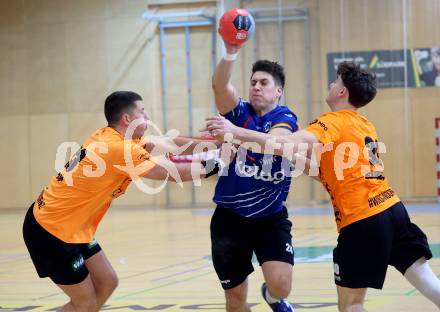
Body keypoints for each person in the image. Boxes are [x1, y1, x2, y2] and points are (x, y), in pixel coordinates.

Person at [205, 62, 440, 311]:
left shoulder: (332, 122)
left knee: (351, 305)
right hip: (394, 210)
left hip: (362, 219)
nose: (331, 84)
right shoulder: (364, 125)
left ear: (342, 92)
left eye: (335, 81)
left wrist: (235, 132)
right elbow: (324, 170)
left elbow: (286, 143)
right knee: (427, 280)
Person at [22, 91, 216, 312]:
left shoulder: (111, 136)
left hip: (72, 226)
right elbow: (168, 172)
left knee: (107, 282)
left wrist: (213, 144)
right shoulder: (119, 149)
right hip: (50, 230)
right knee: (84, 303)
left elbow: (166, 142)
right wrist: (215, 166)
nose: (148, 116)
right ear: (127, 119)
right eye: (142, 112)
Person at [210, 38, 299, 312]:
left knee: (282, 285)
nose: (256, 87)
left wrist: (234, 133)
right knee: (235, 299)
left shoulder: (285, 117)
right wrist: (231, 52)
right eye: (253, 83)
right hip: (229, 218)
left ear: (279, 91)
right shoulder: (238, 112)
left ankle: (272, 297)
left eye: (264, 83)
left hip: (270, 217)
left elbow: (277, 143)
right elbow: (220, 86)